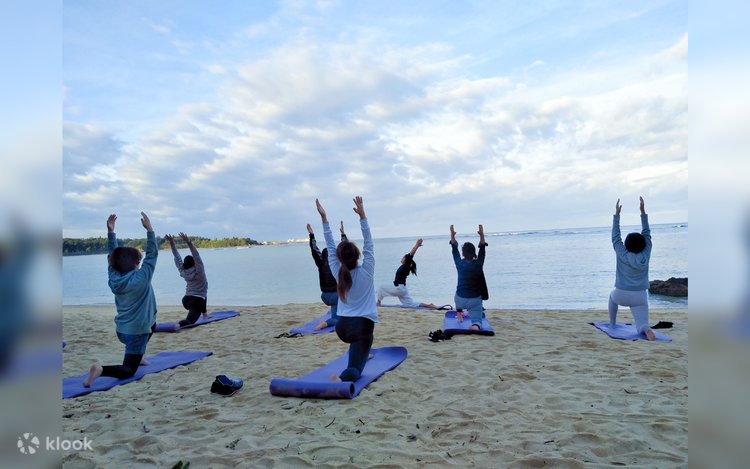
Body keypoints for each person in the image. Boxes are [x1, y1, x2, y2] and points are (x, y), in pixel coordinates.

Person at [84, 212, 158, 387]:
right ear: (135, 263)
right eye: (139, 260)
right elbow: (152, 253)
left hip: (122, 329)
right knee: (128, 370)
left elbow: (112, 254)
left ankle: (139, 356)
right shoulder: (142, 277)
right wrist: (149, 229)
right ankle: (101, 370)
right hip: (136, 333)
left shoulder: (114, 277)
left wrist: (111, 232)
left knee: (153, 323)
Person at [316, 196, 377, 382]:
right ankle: (341, 379)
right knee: (354, 369)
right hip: (361, 327)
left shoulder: (338, 271)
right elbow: (369, 242)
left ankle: (361, 353)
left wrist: (324, 218)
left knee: (358, 346)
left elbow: (330, 244)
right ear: (358, 255)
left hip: (342, 327)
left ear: (339, 258)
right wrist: (362, 215)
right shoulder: (367, 270)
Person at [608, 196, 656, 341]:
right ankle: (646, 329)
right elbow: (647, 233)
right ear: (644, 245)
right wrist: (643, 212)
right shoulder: (646, 254)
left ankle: (612, 324)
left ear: (626, 245)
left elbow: (616, 237)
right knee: (642, 324)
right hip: (640, 296)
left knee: (611, 297)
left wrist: (617, 215)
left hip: (621, 294)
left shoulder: (621, 253)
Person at [307, 221, 347, 331]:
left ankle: (337, 312)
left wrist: (311, 235)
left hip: (324, 296)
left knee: (338, 306)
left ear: (323, 256)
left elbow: (314, 250)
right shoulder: (337, 264)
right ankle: (325, 323)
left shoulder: (320, 263)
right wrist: (343, 234)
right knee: (339, 318)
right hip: (336, 296)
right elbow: (345, 249)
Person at [376, 239, 437, 308]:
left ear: (405, 260)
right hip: (402, 289)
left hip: (398, 288)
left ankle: (378, 303)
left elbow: (411, 254)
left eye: (403, 257)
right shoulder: (404, 266)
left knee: (381, 287)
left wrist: (417, 245)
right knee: (411, 304)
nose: (402, 258)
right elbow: (410, 256)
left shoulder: (406, 266)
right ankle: (429, 305)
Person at [449, 224, 489, 331]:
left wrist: (452, 235)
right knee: (477, 322)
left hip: (460, 299)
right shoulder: (478, 264)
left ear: (463, 253)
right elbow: (482, 249)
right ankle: (475, 326)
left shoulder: (459, 264)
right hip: (475, 300)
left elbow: (454, 249)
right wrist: (482, 235)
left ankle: (459, 315)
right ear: (474, 252)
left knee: (457, 295)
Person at [165, 232, 208, 327]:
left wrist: (172, 243)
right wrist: (188, 242)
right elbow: (196, 255)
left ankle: (205, 314)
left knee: (203, 294)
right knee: (189, 321)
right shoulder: (199, 271)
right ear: (195, 263)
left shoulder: (183, 271)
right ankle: (178, 325)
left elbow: (177, 257)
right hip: (196, 302)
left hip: (186, 300)